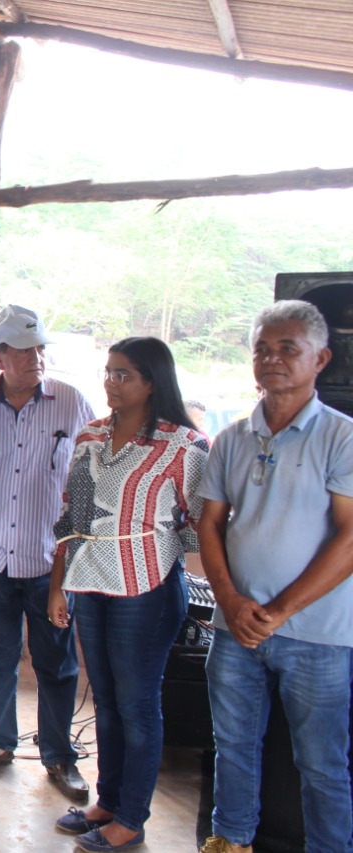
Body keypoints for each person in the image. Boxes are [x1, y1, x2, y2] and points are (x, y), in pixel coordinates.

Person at [196, 300, 353, 853]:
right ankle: (231, 841)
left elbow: (350, 537)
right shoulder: (233, 437)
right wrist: (233, 603)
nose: (272, 359)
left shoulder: (343, 436)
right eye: (262, 348)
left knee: (321, 763)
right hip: (234, 629)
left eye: (289, 348)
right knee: (232, 746)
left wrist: (279, 611)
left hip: (318, 636)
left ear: (321, 359)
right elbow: (209, 525)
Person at [48, 337, 207, 852]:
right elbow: (73, 517)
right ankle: (108, 800)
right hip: (91, 583)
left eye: (124, 375)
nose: (111, 384)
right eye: (109, 373)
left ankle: (132, 818)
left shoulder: (182, 446)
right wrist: (58, 587)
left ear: (152, 382)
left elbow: (202, 526)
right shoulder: (91, 436)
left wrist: (161, 548)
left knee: (138, 705)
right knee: (108, 701)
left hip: (148, 589)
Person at [0, 305, 95, 801]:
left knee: (56, 663)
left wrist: (75, 550)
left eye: (40, 349)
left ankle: (59, 756)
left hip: (50, 563)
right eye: (24, 351)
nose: (37, 359)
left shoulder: (70, 401)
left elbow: (88, 476)